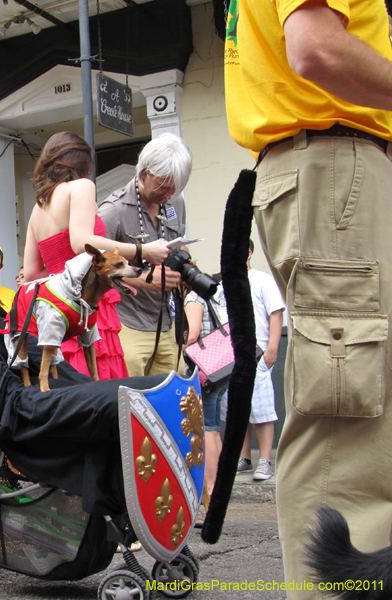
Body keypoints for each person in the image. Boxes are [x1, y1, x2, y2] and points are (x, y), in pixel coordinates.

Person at [223, 1, 392, 593]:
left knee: (357, 415)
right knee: (345, 426)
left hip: (330, 168)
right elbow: (316, 47)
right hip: (336, 166)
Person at [23, 131, 171, 380]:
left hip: (56, 311)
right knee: (101, 391)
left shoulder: (38, 209)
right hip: (88, 306)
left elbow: (32, 274)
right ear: (83, 163)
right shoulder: (81, 187)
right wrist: (142, 250)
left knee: (68, 392)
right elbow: (81, 242)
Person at [98, 133, 193, 377]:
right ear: (144, 174)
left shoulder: (176, 204)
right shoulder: (113, 210)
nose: (169, 194)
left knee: (176, 402)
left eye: (175, 187)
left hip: (168, 324)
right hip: (127, 325)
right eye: (163, 186)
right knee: (130, 403)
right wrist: (145, 280)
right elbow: (93, 268)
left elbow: (177, 246)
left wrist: (184, 265)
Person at [232, 241, 285, 482]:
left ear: (249, 252)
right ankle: (244, 458)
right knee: (238, 409)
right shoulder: (226, 282)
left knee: (262, 409)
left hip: (259, 353)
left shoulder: (263, 280)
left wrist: (272, 349)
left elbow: (276, 313)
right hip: (231, 356)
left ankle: (265, 460)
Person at [184, 273, 227, 523]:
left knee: (207, 430)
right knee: (214, 429)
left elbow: (192, 335)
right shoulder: (215, 295)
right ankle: (217, 492)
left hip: (205, 371)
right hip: (222, 369)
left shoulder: (193, 298)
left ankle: (210, 495)